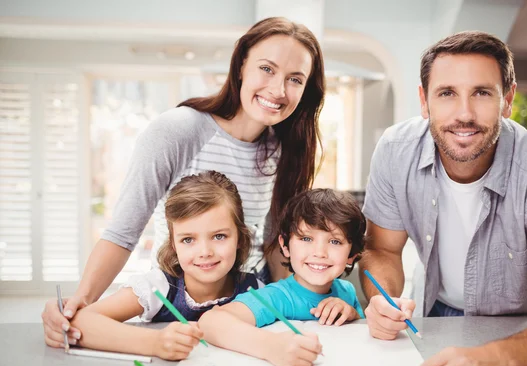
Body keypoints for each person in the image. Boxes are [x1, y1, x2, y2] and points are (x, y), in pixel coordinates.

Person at [42, 16, 326, 348]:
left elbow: (276, 247)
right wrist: (81, 303)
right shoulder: (178, 131)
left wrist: (291, 308)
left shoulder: (286, 149)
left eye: (295, 79)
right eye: (267, 69)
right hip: (178, 296)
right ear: (240, 67)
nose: (278, 90)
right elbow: (123, 233)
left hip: (246, 307)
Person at [359, 31, 527, 366]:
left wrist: (498, 359)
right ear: (424, 101)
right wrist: (382, 299)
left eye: (482, 93)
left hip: (522, 332)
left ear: (508, 100)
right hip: (430, 315)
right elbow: (382, 250)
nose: (465, 115)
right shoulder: (395, 152)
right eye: (447, 93)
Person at [69, 172, 259, 360]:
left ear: (240, 238)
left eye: (219, 236)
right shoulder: (157, 286)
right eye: (188, 239)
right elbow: (81, 322)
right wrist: (155, 342)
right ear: (173, 245)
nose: (205, 252)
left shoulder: (256, 290)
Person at [199, 189, 366, 366]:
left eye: (335, 241)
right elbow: (210, 322)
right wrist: (271, 347)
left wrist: (352, 314)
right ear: (285, 246)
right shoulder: (276, 297)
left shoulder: (346, 292)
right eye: (306, 238)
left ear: (351, 255)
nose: (319, 252)